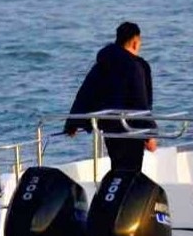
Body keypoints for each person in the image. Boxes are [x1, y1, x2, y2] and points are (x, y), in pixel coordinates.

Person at [64, 22, 157, 171]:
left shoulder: (103, 63)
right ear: (134, 42)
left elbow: (86, 92)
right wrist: (149, 134)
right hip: (130, 128)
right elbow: (140, 101)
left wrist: (73, 122)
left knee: (118, 166)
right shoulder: (135, 66)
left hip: (109, 125)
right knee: (132, 169)